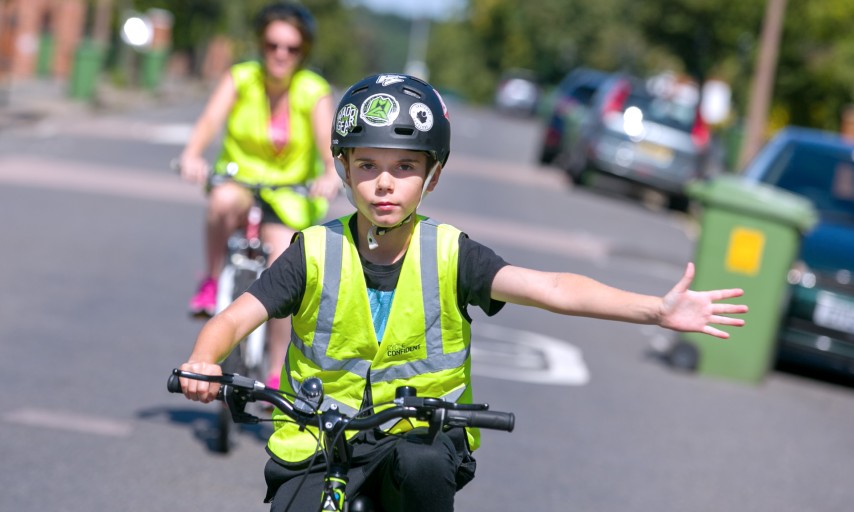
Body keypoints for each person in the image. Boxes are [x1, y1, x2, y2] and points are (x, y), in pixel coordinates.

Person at [178, 74, 748, 511]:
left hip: (418, 435)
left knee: (421, 468)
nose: (383, 182)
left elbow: (550, 287)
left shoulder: (451, 254)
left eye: (404, 166)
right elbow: (234, 318)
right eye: (368, 164)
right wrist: (205, 360)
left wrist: (656, 309)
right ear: (343, 169)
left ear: (432, 176)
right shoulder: (313, 250)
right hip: (318, 437)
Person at [178, 2, 339, 389]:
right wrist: (193, 154)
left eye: (291, 48)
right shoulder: (241, 77)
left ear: (303, 52)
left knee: (284, 264)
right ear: (261, 45)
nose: (281, 54)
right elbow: (210, 121)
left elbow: (326, 145)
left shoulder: (312, 91)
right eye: (272, 45)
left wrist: (331, 174)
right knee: (221, 203)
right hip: (240, 181)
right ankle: (212, 280)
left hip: (288, 195)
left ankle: (276, 367)